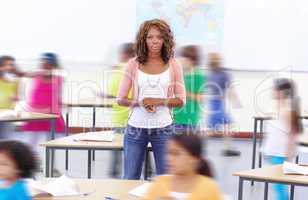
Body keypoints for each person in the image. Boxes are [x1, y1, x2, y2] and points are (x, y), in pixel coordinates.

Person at [117, 19, 186, 180]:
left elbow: (181, 100)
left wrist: (157, 101)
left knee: (166, 180)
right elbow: (120, 99)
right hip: (135, 129)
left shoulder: (174, 65)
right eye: (150, 37)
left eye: (159, 37)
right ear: (143, 39)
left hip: (164, 129)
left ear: (166, 40)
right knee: (130, 178)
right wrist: (140, 103)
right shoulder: (132, 65)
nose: (155, 41)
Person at [144, 133, 222, 200]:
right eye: (169, 153)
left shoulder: (209, 189)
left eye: (176, 154)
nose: (169, 158)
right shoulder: (159, 183)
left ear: (194, 159)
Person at [262, 78, 302, 200]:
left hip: (280, 155)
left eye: (274, 89)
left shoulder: (286, 111)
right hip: (273, 153)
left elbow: (293, 134)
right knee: (278, 187)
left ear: (281, 92)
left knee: (279, 188)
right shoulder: (277, 108)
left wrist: (288, 156)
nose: (272, 91)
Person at [17, 53, 65, 149]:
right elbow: (20, 74)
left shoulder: (59, 78)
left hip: (51, 111)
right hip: (35, 111)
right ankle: (29, 157)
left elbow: (58, 95)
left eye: (48, 64)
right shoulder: (36, 75)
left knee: (52, 138)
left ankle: (50, 156)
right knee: (31, 138)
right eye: (43, 64)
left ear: (54, 66)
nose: (45, 67)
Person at [103, 43, 135, 178]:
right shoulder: (141, 70)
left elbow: (112, 93)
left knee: (116, 147)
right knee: (139, 148)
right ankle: (145, 172)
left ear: (125, 55)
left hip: (120, 117)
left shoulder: (119, 71)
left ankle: (113, 174)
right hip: (136, 117)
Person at [207, 53, 241, 156]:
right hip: (217, 103)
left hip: (214, 103)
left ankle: (227, 148)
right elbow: (230, 89)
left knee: (217, 128)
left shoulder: (211, 74)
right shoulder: (223, 73)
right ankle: (227, 148)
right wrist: (236, 101)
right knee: (225, 126)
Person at [173, 45, 206, 133]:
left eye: (183, 59)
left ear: (191, 60)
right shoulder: (181, 74)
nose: (180, 61)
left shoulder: (198, 76)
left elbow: (200, 98)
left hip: (189, 120)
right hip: (176, 118)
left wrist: (184, 93)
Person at [0, 56, 19, 138]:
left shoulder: (15, 80)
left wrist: (15, 99)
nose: (10, 67)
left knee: (5, 139)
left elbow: (16, 98)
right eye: (7, 65)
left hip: (7, 114)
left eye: (12, 65)